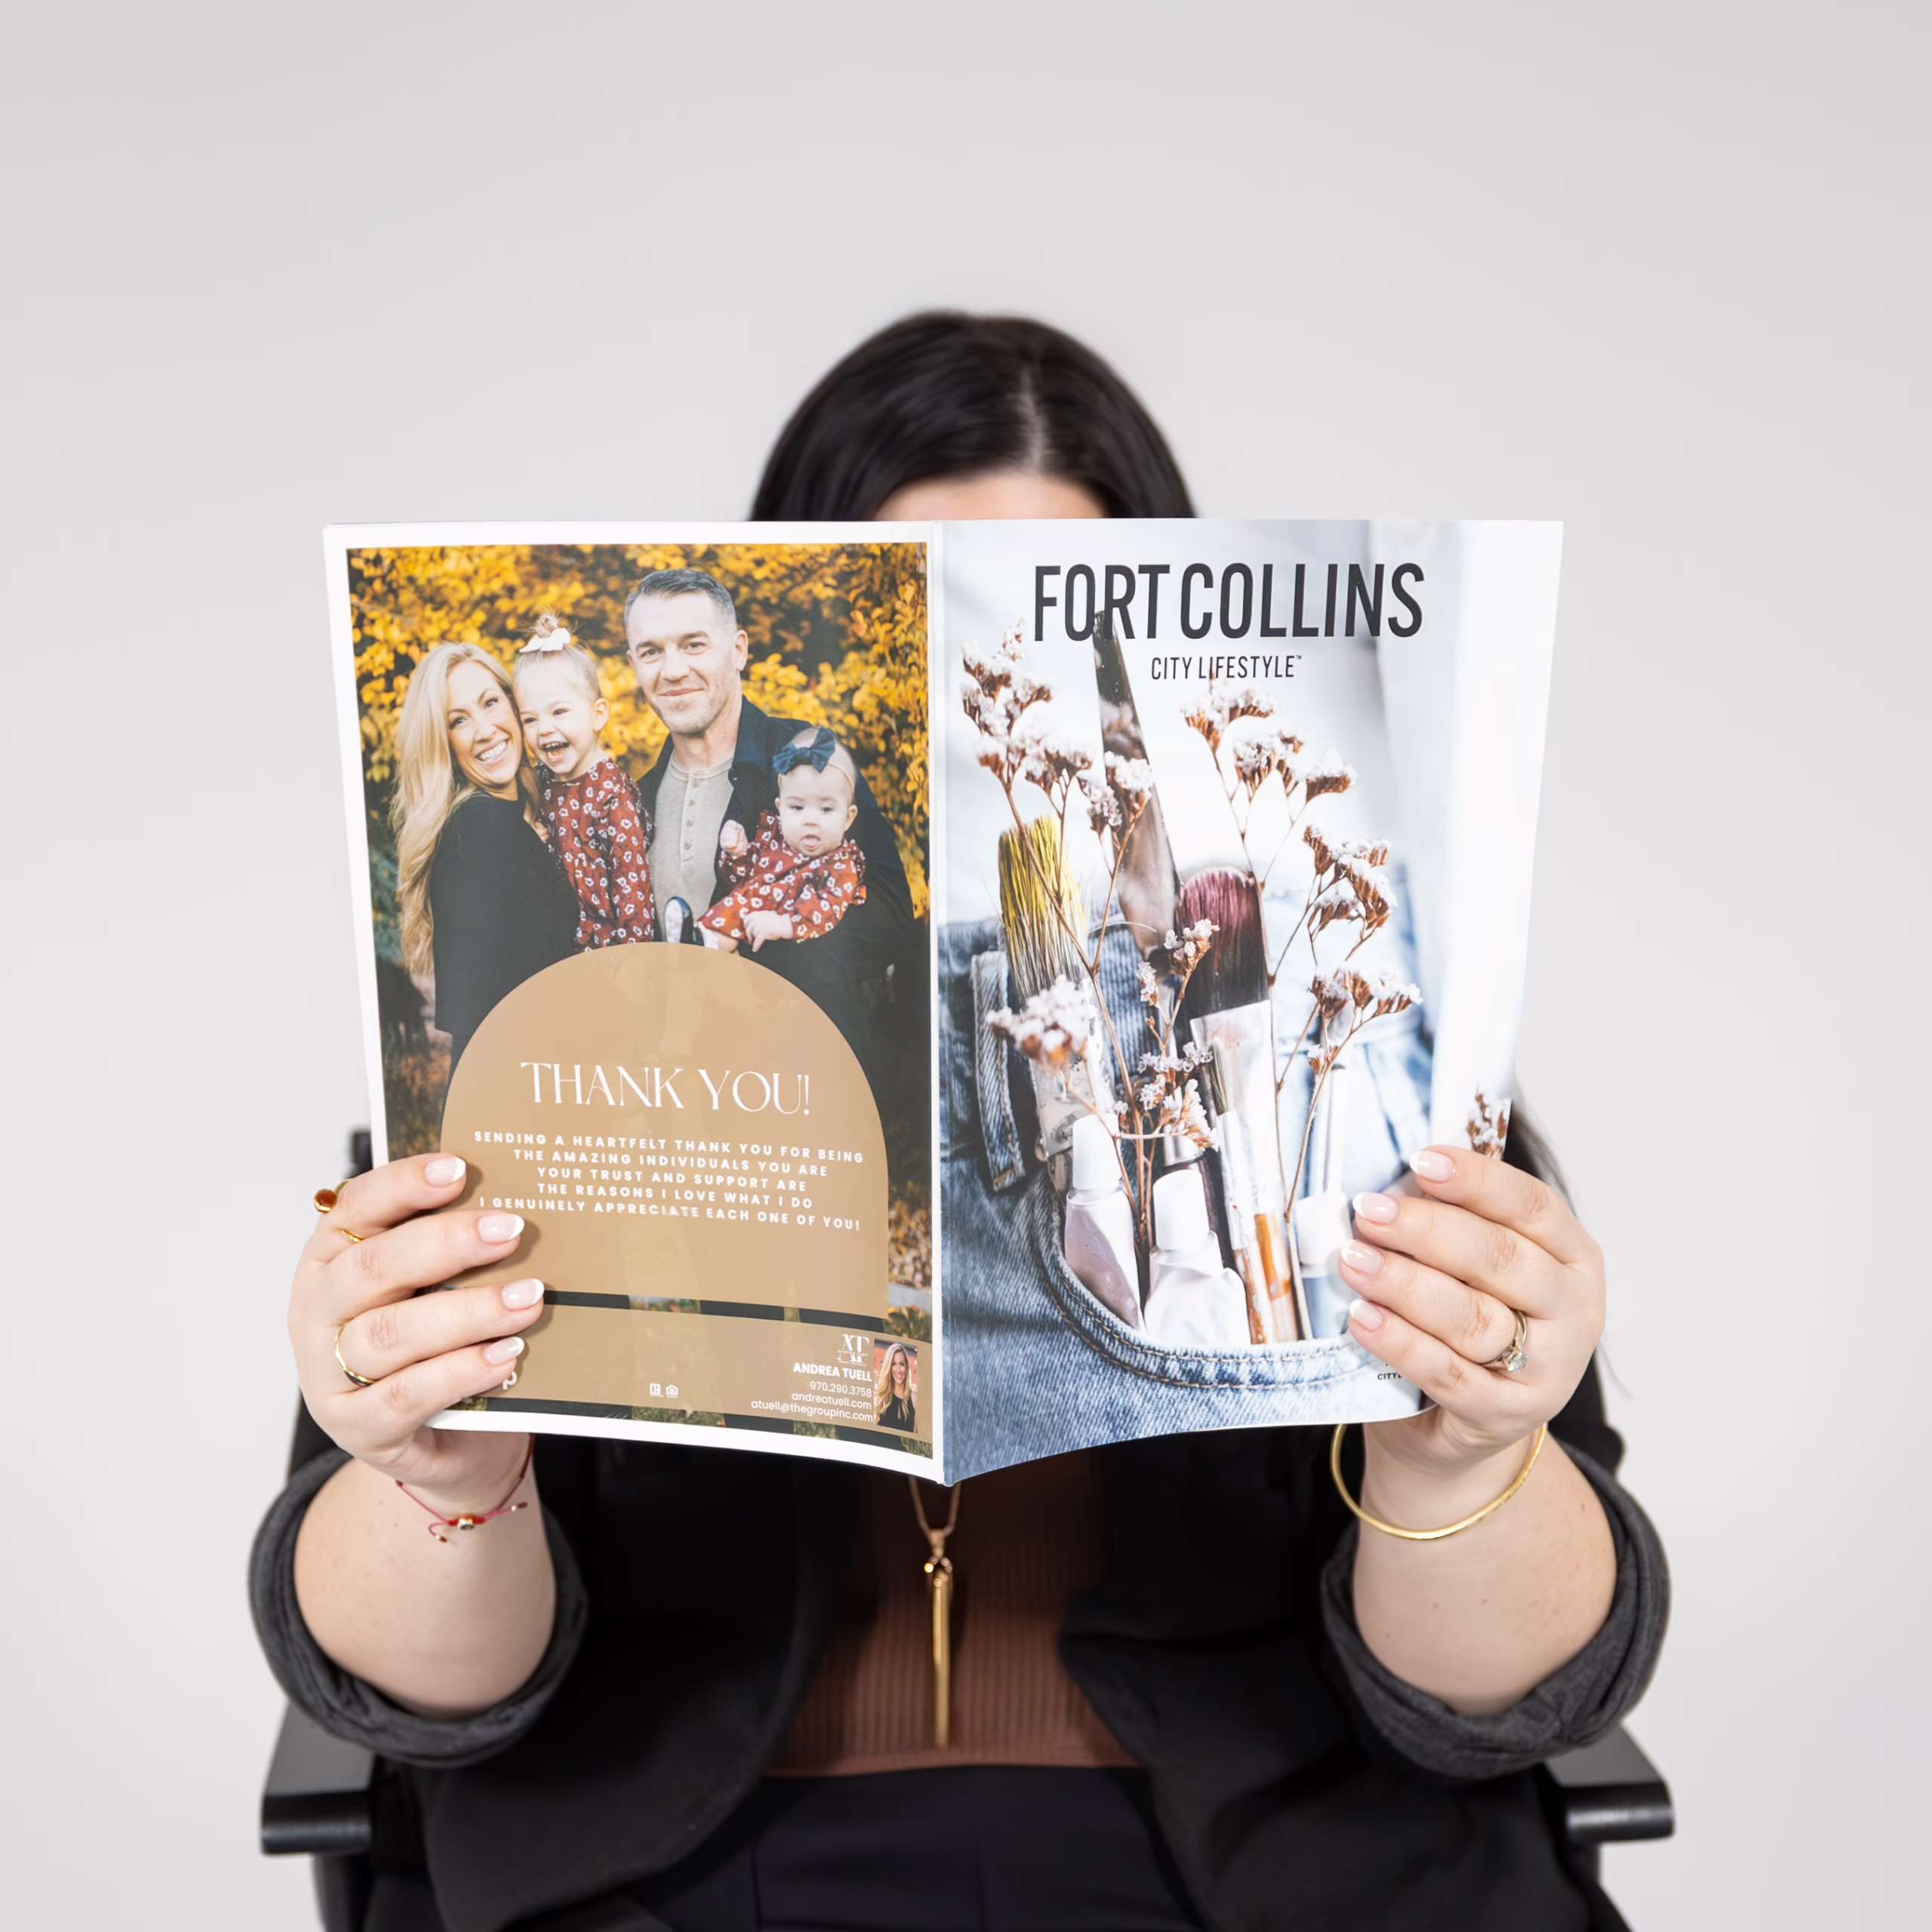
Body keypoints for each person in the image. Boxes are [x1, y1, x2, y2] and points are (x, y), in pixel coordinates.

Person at [257, 314, 1667, 1932]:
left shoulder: (1348, 1062)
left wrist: (1460, 1453)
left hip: (1252, 1871)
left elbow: (1501, 1698)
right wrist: (439, 1462)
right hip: (683, 1872)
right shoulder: (559, 1066)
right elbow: (418, 1697)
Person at [625, 565, 914, 1064]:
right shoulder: (634, 802)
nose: (671, 670)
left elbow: (891, 917)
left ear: (738, 649)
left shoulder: (808, 758)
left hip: (797, 1086)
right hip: (677, 1102)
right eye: (651, 651)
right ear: (633, 664)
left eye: (693, 645)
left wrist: (774, 929)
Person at [392, 641, 579, 1072]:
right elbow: (510, 1013)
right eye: (459, 720)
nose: (484, 730)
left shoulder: (509, 822)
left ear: (515, 707)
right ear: (444, 743)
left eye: (491, 703)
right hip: (522, 1099)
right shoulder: (483, 828)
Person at [512, 614, 655, 949]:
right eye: (530, 719)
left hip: (606, 953)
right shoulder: (540, 782)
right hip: (554, 944)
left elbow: (633, 892)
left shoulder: (610, 793)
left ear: (597, 714)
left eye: (559, 712)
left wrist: (632, 967)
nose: (544, 728)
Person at [700, 727, 867, 953]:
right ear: (781, 809)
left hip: (777, 950)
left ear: (848, 818)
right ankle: (694, 942)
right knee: (722, 924)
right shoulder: (773, 838)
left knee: (726, 929)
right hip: (738, 924)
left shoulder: (839, 865)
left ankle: (696, 946)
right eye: (797, 807)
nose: (810, 820)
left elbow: (828, 908)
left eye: (826, 809)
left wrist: (787, 925)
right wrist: (739, 853)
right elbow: (737, 883)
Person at [875, 1341, 917, 1432]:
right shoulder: (882, 1398)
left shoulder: (915, 1399)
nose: (898, 1370)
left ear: (906, 1367)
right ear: (889, 1367)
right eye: (894, 1364)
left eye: (902, 1364)